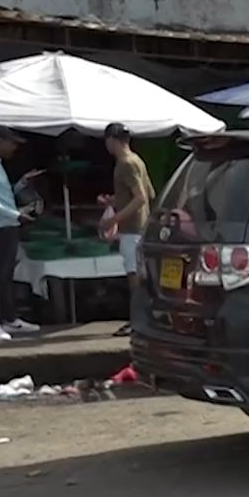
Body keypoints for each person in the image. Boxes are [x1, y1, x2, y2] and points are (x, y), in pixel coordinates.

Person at [0, 127, 44, 342]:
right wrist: (15, 213)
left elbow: (0, 195)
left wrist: (21, 183)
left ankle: (10, 319)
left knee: (6, 276)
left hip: (8, 225)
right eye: (11, 143)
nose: (14, 148)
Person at [99, 123, 153, 338]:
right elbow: (148, 193)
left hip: (133, 229)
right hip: (140, 226)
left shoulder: (126, 163)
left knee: (134, 277)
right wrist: (114, 201)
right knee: (139, 275)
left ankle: (137, 321)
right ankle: (142, 319)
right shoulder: (137, 160)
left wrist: (113, 220)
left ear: (111, 140)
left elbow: (140, 198)